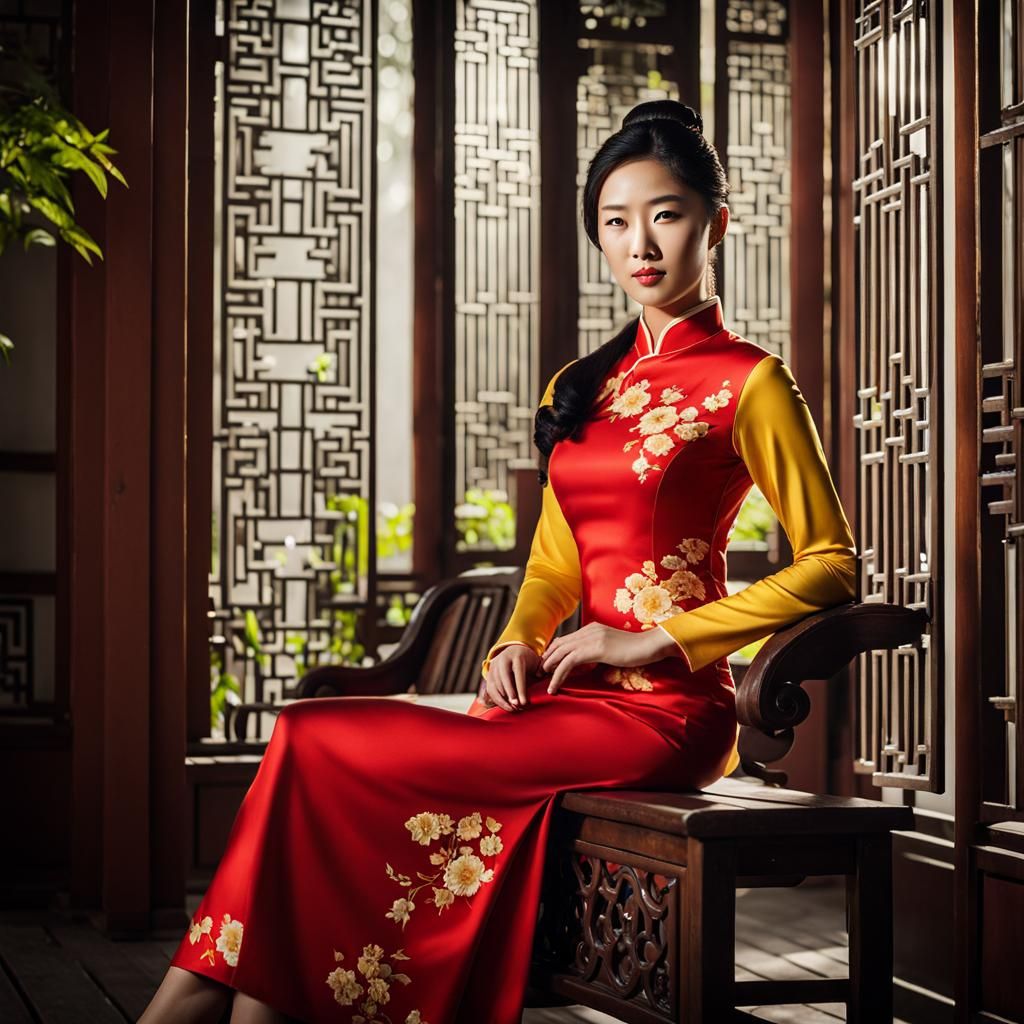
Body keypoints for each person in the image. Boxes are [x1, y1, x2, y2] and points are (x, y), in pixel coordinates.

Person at [138, 99, 856, 1024]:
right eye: (615, 221)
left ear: (716, 223)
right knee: (315, 753)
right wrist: (514, 642)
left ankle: (195, 997)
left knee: (311, 738)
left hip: (667, 716)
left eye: (667, 215)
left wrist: (657, 643)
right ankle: (243, 1002)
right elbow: (554, 566)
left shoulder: (749, 381)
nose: (641, 243)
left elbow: (834, 564)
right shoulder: (582, 385)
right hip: (561, 698)